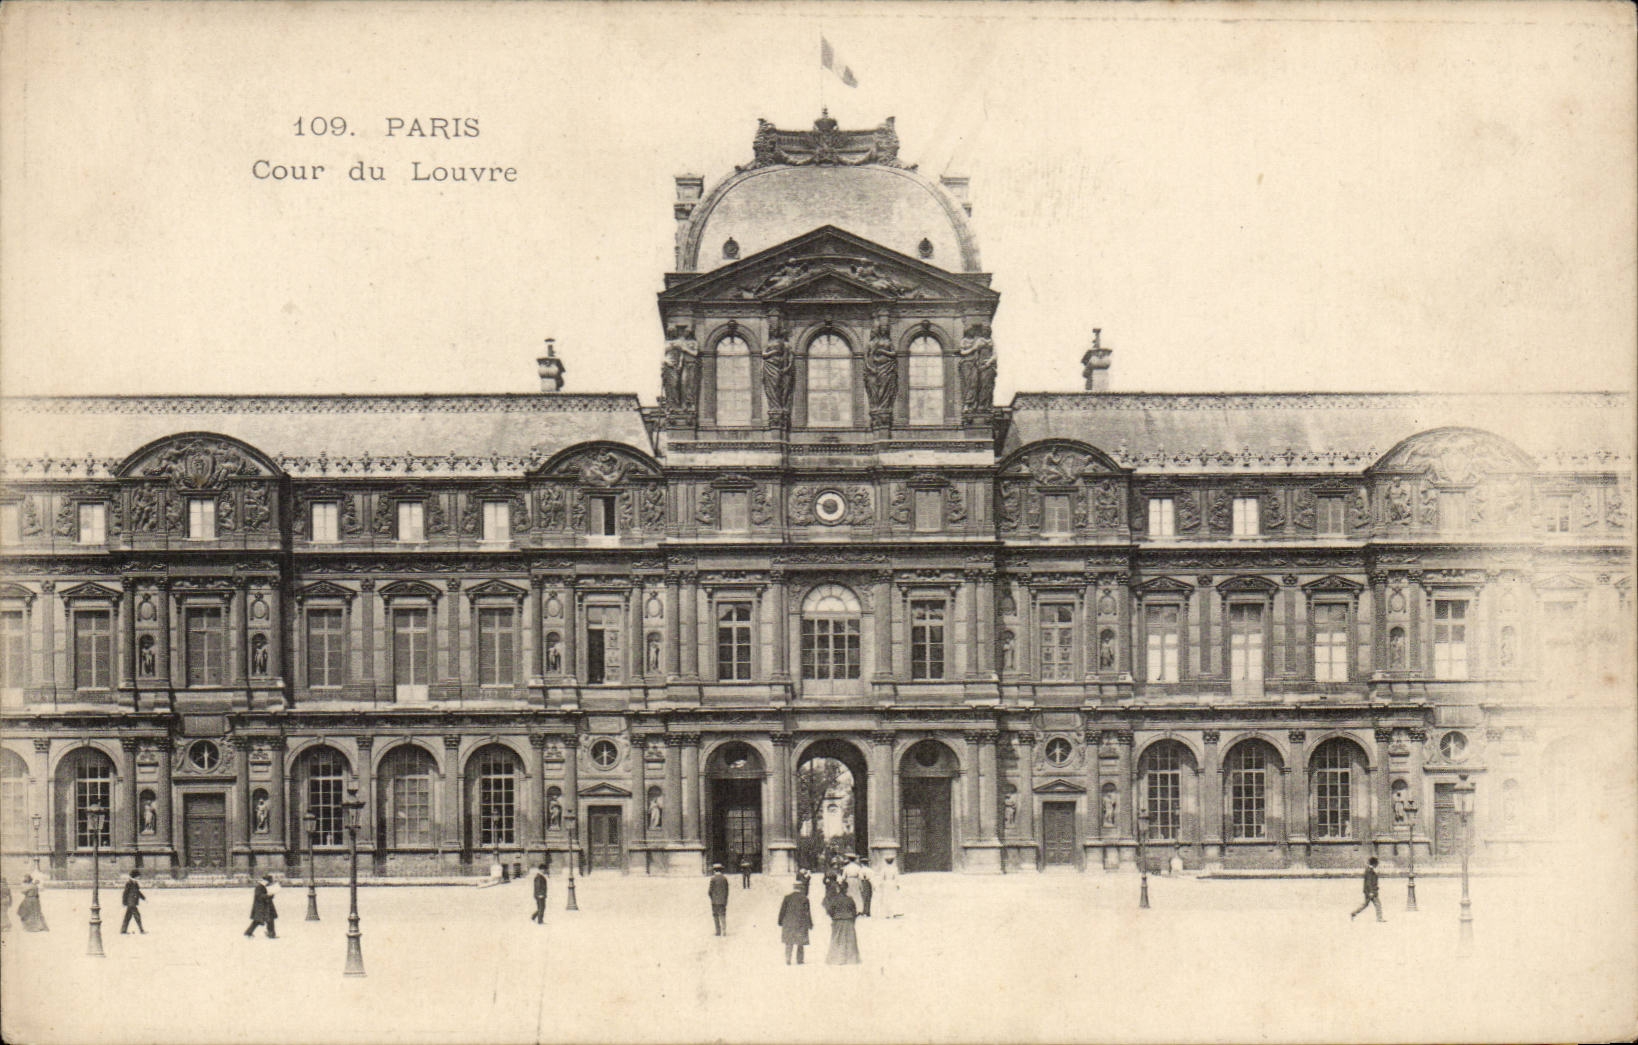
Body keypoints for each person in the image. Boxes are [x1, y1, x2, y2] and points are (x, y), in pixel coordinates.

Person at [823, 879, 861, 965]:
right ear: (846, 889)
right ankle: (850, 959)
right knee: (850, 941)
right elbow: (854, 911)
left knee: (837, 940)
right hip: (848, 921)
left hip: (837, 921)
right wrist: (852, 919)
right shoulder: (849, 899)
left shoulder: (834, 899)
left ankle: (837, 959)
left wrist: (834, 917)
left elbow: (829, 910)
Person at [777, 878, 813, 965]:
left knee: (789, 941)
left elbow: (782, 910)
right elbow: (807, 912)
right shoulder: (805, 899)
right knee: (800, 942)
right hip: (800, 922)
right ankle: (799, 960)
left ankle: (788, 959)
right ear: (801, 888)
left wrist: (780, 921)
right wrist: (810, 924)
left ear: (794, 887)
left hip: (788, 922)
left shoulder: (787, 897)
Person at [1350, 857, 1385, 922]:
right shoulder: (1369, 871)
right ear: (1374, 864)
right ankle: (1379, 918)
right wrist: (1371, 892)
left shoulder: (1369, 870)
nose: (1377, 865)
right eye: (1376, 864)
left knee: (1365, 905)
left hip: (1369, 891)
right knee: (1378, 904)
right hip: (1371, 892)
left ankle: (1354, 913)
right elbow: (1368, 882)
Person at [245, 873, 279, 938]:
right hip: (261, 907)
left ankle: (271, 934)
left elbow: (268, 895)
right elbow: (259, 896)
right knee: (258, 921)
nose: (270, 882)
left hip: (267, 906)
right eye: (270, 881)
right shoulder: (259, 887)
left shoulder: (266, 886)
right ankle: (248, 932)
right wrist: (267, 895)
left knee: (270, 919)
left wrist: (271, 895)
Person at [120, 869, 147, 934]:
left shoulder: (135, 883)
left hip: (132, 902)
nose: (139, 878)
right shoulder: (129, 883)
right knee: (137, 916)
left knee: (127, 917)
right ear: (135, 876)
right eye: (138, 876)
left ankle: (123, 930)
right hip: (131, 903)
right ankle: (141, 930)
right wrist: (124, 902)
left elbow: (138, 892)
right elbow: (125, 893)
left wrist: (144, 898)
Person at [708, 863, 730, 936]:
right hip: (723, 901)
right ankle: (724, 930)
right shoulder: (724, 879)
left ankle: (718, 931)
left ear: (714, 870)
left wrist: (712, 898)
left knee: (715, 916)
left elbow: (710, 891)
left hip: (714, 901)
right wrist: (725, 899)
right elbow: (727, 890)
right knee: (723, 915)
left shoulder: (713, 879)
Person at [877, 854, 900, 918]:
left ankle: (887, 914)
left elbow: (881, 877)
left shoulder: (884, 869)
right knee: (892, 898)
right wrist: (897, 884)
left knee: (886, 899)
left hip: (886, 884)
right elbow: (896, 878)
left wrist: (881, 884)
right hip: (892, 884)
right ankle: (893, 913)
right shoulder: (895, 868)